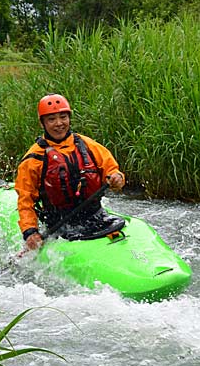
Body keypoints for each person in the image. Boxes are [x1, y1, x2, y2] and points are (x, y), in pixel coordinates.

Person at [14, 93, 126, 251]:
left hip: (96, 216)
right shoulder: (33, 159)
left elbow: (111, 169)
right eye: (51, 119)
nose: (59, 123)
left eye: (63, 117)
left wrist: (117, 178)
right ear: (42, 123)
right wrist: (30, 231)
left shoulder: (87, 144)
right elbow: (25, 200)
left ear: (69, 118)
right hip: (60, 225)